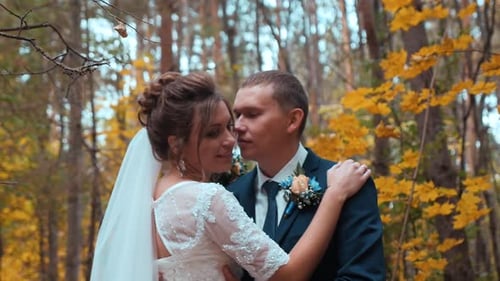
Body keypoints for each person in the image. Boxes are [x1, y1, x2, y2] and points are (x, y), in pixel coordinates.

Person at [90, 71, 372, 281]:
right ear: (175, 143)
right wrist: (333, 196)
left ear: (293, 119)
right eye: (215, 131)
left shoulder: (153, 196)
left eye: (244, 117)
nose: (233, 134)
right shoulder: (215, 197)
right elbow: (287, 274)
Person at [228, 70, 386, 280]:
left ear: (293, 120)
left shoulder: (348, 184)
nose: (237, 126)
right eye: (237, 115)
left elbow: (363, 277)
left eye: (252, 114)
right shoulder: (230, 196)